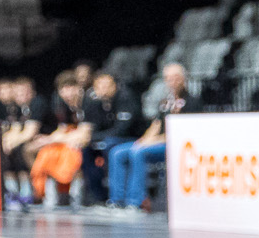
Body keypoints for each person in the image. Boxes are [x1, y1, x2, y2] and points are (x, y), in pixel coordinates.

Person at [108, 78, 184, 209]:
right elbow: (156, 124)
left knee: (138, 153)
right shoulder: (167, 102)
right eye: (169, 79)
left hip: (176, 144)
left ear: (183, 79)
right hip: (157, 142)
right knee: (117, 152)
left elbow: (184, 132)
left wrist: (153, 141)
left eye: (175, 78)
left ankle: (135, 202)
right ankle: (117, 201)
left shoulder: (191, 101)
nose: (172, 82)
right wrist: (144, 140)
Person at [29, 72, 90, 206]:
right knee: (46, 152)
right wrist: (49, 139)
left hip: (90, 139)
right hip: (70, 138)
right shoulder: (63, 106)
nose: (66, 93)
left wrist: (55, 140)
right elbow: (62, 129)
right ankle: (48, 194)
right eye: (63, 89)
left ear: (78, 88)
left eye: (70, 88)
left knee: (72, 152)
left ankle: (76, 196)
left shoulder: (88, 103)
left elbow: (85, 133)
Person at [80, 72, 138, 205]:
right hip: (108, 138)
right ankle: (98, 196)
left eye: (107, 85)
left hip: (131, 138)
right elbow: (93, 127)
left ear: (115, 86)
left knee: (109, 146)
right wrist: (90, 139)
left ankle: (117, 198)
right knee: (86, 149)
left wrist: (94, 137)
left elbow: (122, 130)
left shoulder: (125, 97)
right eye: (99, 86)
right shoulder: (95, 103)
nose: (104, 89)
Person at [0, 78, 41, 208]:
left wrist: (12, 142)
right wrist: (6, 142)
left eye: (24, 92)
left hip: (43, 138)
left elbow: (30, 132)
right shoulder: (18, 108)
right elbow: (16, 129)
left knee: (21, 149)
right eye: (18, 93)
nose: (21, 96)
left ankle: (28, 190)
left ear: (31, 92)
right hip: (29, 141)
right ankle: (13, 191)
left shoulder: (37, 103)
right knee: (6, 151)